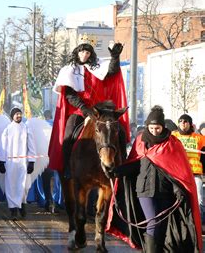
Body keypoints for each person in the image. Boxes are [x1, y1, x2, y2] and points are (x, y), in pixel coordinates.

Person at [107, 106, 202, 252]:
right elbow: (136, 163)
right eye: (151, 128)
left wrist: (178, 191)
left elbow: (178, 171)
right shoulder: (140, 141)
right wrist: (117, 171)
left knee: (161, 228)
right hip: (144, 190)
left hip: (166, 192)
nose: (154, 131)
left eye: (157, 128)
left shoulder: (172, 143)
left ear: (162, 127)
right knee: (153, 223)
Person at [48, 40, 130, 179]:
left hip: (100, 110)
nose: (84, 55)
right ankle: (67, 166)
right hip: (80, 110)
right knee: (69, 134)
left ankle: (123, 162)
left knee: (119, 129)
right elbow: (69, 94)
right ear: (77, 52)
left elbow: (111, 71)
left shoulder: (97, 66)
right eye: (82, 51)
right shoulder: (69, 70)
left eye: (87, 52)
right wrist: (84, 108)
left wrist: (115, 57)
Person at [0, 108, 37, 219]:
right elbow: (2, 146)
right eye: (17, 114)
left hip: (24, 163)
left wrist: (32, 162)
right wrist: (1, 162)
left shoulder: (26, 128)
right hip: (11, 163)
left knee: (24, 186)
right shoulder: (8, 129)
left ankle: (22, 205)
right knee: (12, 186)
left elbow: (31, 145)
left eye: (20, 114)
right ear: (12, 116)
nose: (19, 116)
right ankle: (13, 210)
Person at [171, 114, 205, 219]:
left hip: (195, 173)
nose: (183, 124)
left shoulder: (199, 138)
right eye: (180, 121)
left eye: (185, 121)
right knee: (177, 198)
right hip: (178, 174)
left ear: (190, 124)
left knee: (199, 199)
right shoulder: (173, 136)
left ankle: (198, 223)